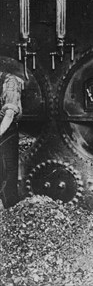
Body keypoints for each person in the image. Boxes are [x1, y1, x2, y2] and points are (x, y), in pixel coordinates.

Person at [0, 70, 24, 210]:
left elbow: (9, 115)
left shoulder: (10, 82)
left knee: (7, 174)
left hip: (6, 131)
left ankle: (10, 209)